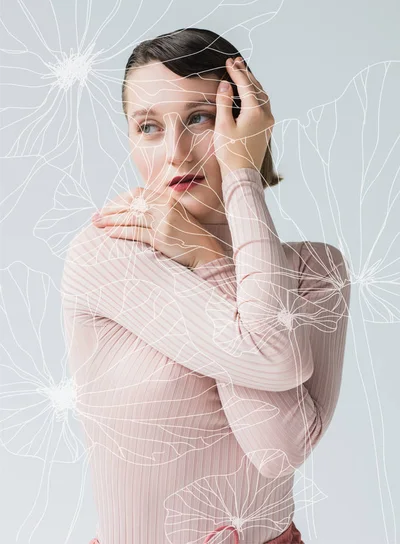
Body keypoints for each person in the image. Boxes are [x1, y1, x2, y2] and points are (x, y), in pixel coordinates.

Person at [61, 28, 351, 543]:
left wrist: (211, 244)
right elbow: (269, 352)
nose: (174, 151)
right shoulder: (109, 250)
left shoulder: (317, 272)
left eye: (198, 118)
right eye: (147, 126)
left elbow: (278, 448)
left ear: (244, 126)